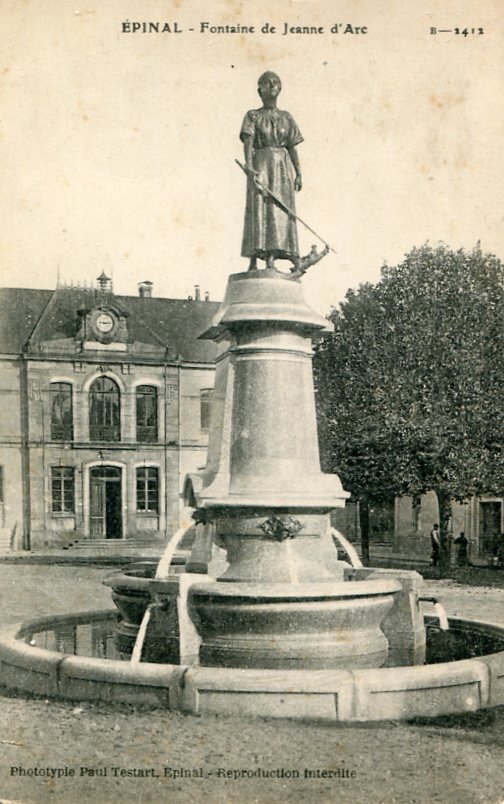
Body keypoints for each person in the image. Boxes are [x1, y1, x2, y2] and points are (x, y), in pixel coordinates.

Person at [240, 71, 303, 271]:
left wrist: (299, 172)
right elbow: (248, 142)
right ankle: (257, 256)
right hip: (262, 164)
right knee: (260, 208)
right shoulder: (253, 115)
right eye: (267, 83)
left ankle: (277, 255)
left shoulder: (287, 118)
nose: (272, 86)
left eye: (275, 83)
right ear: (260, 90)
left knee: (281, 208)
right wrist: (249, 165)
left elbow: (292, 146)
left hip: (282, 168)